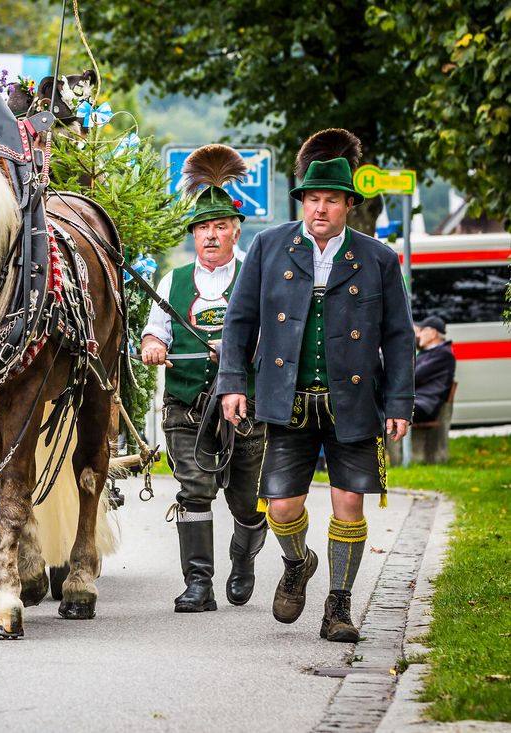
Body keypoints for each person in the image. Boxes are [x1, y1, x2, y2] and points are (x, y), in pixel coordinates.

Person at [217, 129, 415, 642]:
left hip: (353, 401)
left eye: (330, 199)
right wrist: (233, 383)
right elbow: (240, 322)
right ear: (302, 201)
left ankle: (339, 606)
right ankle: (297, 561)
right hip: (288, 399)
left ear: (349, 204)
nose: (320, 208)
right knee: (282, 507)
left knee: (349, 502)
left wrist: (399, 401)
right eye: (312, 199)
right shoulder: (268, 246)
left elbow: (398, 337)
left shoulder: (378, 258)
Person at [139, 144, 267, 613]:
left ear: (235, 231)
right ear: (193, 236)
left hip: (247, 406)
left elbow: (276, 335)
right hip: (188, 405)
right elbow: (155, 332)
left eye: (219, 228)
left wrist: (244, 349)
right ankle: (198, 584)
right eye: (202, 230)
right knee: (193, 490)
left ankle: (244, 558)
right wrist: (153, 346)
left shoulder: (258, 276)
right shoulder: (173, 280)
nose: (210, 237)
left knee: (246, 501)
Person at [413, 315, 456, 423]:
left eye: (421, 330)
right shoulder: (430, 353)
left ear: (432, 333)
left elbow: (413, 376)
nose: (418, 334)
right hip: (416, 402)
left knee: (383, 409)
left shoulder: (442, 354)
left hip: (425, 405)